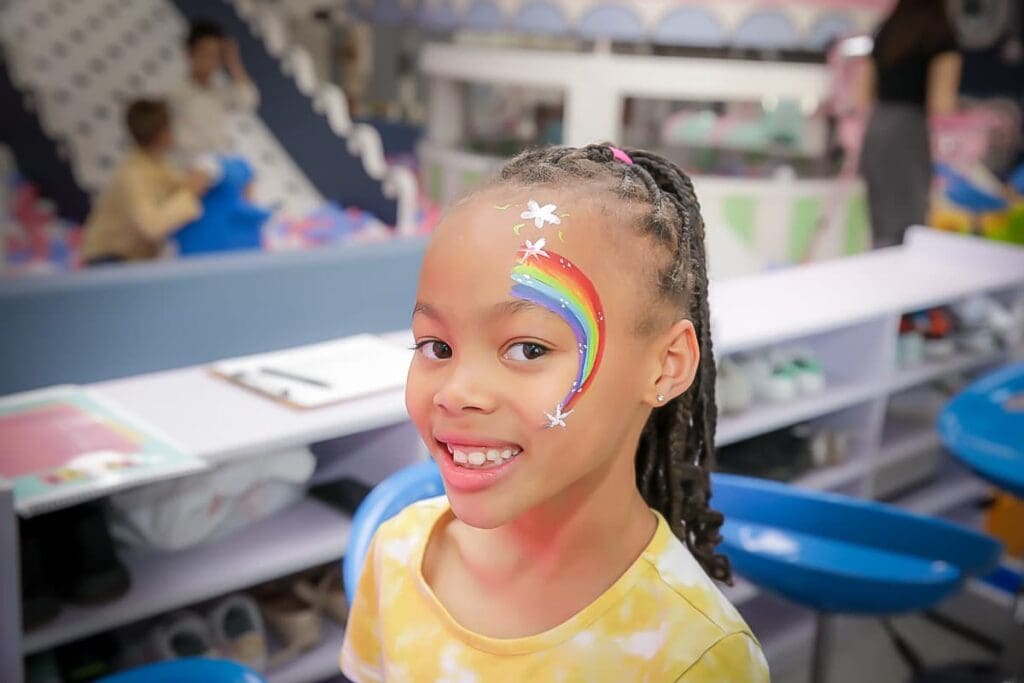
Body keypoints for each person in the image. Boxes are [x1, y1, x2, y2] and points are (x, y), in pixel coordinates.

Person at [341, 144, 769, 681]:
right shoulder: (398, 554)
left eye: (527, 349)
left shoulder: (699, 655)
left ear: (665, 367)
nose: (456, 392)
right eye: (437, 347)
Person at [859, 0, 962, 248]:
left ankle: (880, 278)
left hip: (877, 127)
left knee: (882, 221)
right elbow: (942, 103)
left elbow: (860, 95)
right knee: (908, 223)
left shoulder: (887, 29)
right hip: (908, 130)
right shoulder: (940, 35)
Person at [81, 100, 209, 265]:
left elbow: (179, 185)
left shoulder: (155, 163)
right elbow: (152, 227)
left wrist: (193, 184)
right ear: (162, 133)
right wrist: (190, 191)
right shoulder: (133, 174)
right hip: (110, 260)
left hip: (129, 259)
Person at [170, 20, 259, 164]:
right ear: (190, 53)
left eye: (215, 55)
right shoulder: (174, 96)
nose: (210, 61)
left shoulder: (220, 92)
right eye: (205, 53)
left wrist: (233, 62)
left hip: (220, 166)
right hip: (192, 171)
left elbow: (248, 100)